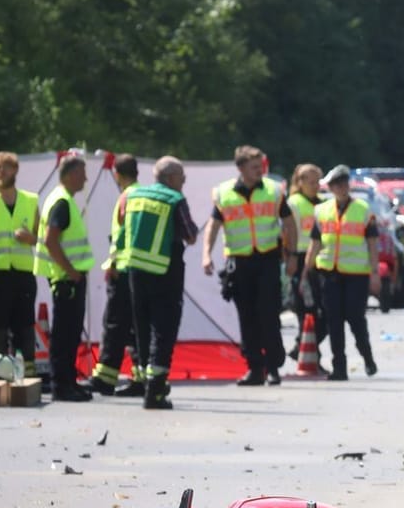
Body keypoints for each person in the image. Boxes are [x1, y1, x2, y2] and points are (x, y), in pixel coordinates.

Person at [204, 145, 295, 386]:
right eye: (254, 167)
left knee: (269, 314)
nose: (259, 171)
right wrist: (206, 255)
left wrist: (292, 254)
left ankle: (273, 367)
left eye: (261, 167)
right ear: (241, 168)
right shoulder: (225, 193)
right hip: (239, 261)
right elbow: (213, 226)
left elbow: (289, 223)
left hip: (267, 259)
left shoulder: (273, 191)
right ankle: (255, 368)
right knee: (247, 317)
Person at [118, 156, 199, 410]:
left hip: (135, 270)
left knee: (141, 327)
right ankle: (155, 390)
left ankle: (145, 381)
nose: (184, 182)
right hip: (165, 271)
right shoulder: (174, 199)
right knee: (163, 331)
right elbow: (190, 234)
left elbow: (122, 224)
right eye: (182, 177)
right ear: (171, 178)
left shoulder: (134, 196)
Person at [303, 165, 378, 380]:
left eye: (344, 184)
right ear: (331, 187)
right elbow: (315, 243)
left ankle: (367, 357)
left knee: (355, 319)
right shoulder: (322, 210)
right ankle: (340, 368)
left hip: (356, 274)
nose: (341, 188)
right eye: (337, 185)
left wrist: (374, 274)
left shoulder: (363, 210)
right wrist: (307, 270)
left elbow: (372, 244)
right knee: (333, 321)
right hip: (329, 273)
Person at [33, 153, 95, 401]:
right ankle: (62, 385)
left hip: (70, 277)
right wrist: (71, 271)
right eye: (82, 173)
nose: (86, 179)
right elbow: (51, 240)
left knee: (71, 332)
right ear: (70, 175)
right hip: (66, 279)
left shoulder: (63, 199)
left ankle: (69, 381)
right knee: (64, 333)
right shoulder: (61, 202)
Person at [89, 156, 146, 396]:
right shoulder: (143, 194)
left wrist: (111, 262)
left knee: (113, 324)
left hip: (122, 269)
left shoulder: (125, 197)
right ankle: (140, 376)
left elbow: (122, 233)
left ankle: (104, 378)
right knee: (135, 327)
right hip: (139, 269)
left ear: (116, 174)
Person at [0, 152, 40, 370]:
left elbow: (42, 239)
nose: (0, 172)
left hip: (24, 272)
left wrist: (30, 239)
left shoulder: (30, 200)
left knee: (24, 325)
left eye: (5, 168)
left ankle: (28, 371)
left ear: (15, 170)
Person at [286, 163, 325, 371]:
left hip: (322, 261)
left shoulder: (324, 204)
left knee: (324, 311)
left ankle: (301, 346)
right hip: (302, 261)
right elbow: (288, 233)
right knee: (306, 309)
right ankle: (311, 356)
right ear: (299, 183)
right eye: (310, 182)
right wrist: (290, 258)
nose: (315, 186)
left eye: (317, 181)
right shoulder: (294, 203)